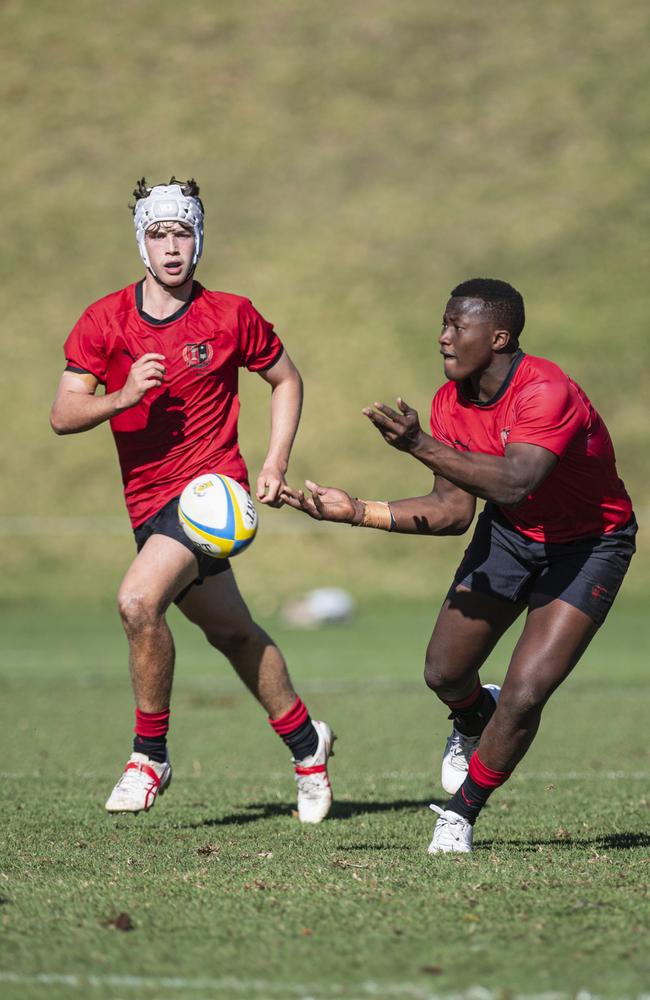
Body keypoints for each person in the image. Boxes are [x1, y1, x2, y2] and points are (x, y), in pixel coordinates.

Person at [281, 277, 636, 853]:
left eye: (455, 326)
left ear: (499, 337)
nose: (442, 338)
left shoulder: (545, 389)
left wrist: (418, 444)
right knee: (444, 673)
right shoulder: (450, 403)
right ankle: (473, 720)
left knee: (525, 694)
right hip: (510, 535)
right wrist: (357, 511)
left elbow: (518, 480)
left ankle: (459, 815)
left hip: (591, 546)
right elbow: (451, 511)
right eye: (443, 325)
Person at [50, 177, 335, 823]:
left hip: (214, 493)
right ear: (141, 242)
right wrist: (121, 396)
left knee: (137, 601)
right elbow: (64, 414)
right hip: (148, 507)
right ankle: (306, 743)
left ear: (199, 237)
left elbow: (285, 379)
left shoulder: (232, 314)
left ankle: (149, 755)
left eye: (182, 232)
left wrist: (273, 461)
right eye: (159, 234)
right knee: (233, 633)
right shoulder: (105, 319)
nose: (172, 247)